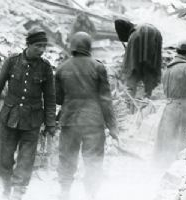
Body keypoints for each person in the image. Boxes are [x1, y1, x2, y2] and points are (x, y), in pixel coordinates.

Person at [0, 27, 56, 200]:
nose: (42, 50)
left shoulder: (45, 68)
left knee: (27, 158)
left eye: (44, 46)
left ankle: (18, 192)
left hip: (33, 120)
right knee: (4, 157)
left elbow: (50, 97)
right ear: (28, 44)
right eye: (38, 46)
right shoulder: (12, 62)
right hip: (9, 117)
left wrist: (50, 122)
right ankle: (6, 188)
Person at [55, 32, 119, 200]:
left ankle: (64, 191)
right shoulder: (98, 67)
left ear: (73, 46)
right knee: (93, 160)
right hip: (93, 121)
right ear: (89, 47)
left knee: (67, 157)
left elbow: (58, 98)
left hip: (69, 120)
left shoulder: (62, 68)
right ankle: (91, 194)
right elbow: (105, 100)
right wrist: (113, 127)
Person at [155, 39, 186, 166]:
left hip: (169, 110)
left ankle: (163, 168)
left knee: (167, 142)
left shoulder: (168, 69)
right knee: (183, 143)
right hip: (184, 111)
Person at [115, 19, 162, 112]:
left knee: (132, 71)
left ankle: (129, 108)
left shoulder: (133, 33)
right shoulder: (140, 26)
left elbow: (130, 66)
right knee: (150, 70)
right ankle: (148, 99)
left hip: (139, 36)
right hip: (157, 34)